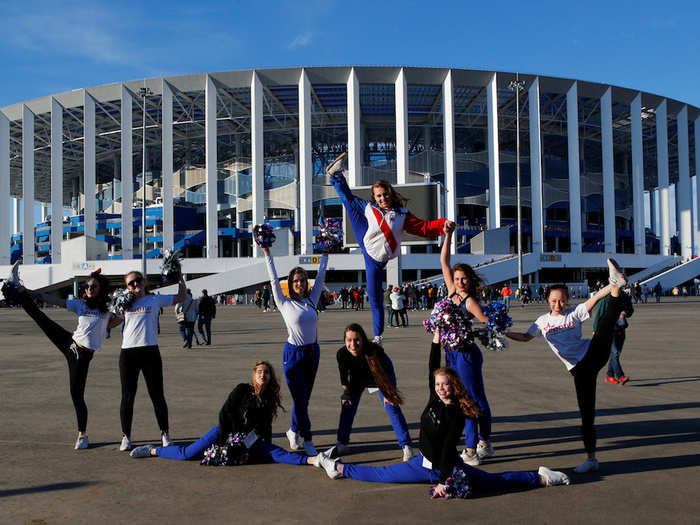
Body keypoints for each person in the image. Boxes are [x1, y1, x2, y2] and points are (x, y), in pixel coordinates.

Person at [314, 331, 570, 498]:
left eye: (445, 384)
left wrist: (445, 483)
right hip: (420, 465)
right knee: (380, 473)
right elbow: (432, 366)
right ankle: (336, 467)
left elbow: (448, 449)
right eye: (437, 384)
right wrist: (436, 339)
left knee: (494, 482)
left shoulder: (456, 412)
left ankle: (542, 478)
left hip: (445, 468)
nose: (440, 388)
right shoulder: (433, 397)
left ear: (453, 385)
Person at [505, 258, 628, 473]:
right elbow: (526, 337)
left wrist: (608, 288)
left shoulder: (575, 313)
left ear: (567, 300)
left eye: (561, 300)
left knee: (605, 326)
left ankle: (616, 285)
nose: (557, 304)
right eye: (553, 301)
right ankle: (591, 458)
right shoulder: (542, 321)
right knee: (586, 412)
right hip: (579, 371)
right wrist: (504, 333)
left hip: (592, 354)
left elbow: (597, 297)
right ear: (547, 300)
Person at [327, 152, 450, 344]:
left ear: (390, 194)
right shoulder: (369, 208)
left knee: (376, 296)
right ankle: (336, 175)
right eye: (378, 195)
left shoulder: (401, 214)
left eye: (385, 194)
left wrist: (443, 224)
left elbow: (424, 228)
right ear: (374, 197)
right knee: (350, 203)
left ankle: (378, 336)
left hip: (381, 256)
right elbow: (352, 199)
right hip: (370, 253)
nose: (382, 198)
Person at [130, 361, 325, 470]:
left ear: (270, 377)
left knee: (275, 453)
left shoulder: (269, 399)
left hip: (248, 439)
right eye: (259, 372)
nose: (262, 375)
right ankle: (153, 451)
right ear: (254, 374)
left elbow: (265, 426)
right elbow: (225, 412)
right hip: (224, 431)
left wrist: (262, 445)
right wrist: (225, 439)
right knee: (189, 453)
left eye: (266, 372)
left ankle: (312, 460)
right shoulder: (242, 389)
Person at [9, 265, 121, 449]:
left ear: (101, 288)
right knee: (41, 318)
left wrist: (117, 315)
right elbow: (51, 299)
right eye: (87, 287)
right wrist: (30, 292)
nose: (89, 289)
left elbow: (114, 324)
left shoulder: (105, 312)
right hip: (69, 342)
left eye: (93, 286)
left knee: (76, 395)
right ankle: (18, 287)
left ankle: (82, 435)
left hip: (82, 356)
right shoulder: (80, 304)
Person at [261, 243, 328, 456]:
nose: (299, 283)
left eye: (302, 280)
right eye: (295, 281)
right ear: (290, 284)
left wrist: (325, 254)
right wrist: (267, 254)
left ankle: (292, 430)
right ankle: (308, 439)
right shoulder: (284, 303)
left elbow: (321, 276)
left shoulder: (312, 299)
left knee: (304, 399)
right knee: (300, 400)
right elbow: (273, 279)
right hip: (294, 355)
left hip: (313, 353)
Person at [440, 224, 494, 465]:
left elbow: (490, 323)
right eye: (457, 278)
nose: (460, 282)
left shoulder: (470, 302)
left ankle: (472, 449)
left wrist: (470, 328)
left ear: (470, 281)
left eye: (463, 279)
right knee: (473, 397)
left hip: (465, 353)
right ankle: (485, 442)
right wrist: (448, 235)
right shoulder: (451, 291)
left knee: (470, 399)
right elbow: (444, 261)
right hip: (450, 353)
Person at [118, 270, 187, 451]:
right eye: (130, 283)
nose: (135, 285)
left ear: (144, 281)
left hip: (150, 352)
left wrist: (179, 276)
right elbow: (108, 319)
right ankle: (126, 436)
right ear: (126, 287)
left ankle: (165, 433)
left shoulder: (155, 299)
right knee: (127, 397)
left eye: (138, 280)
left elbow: (181, 296)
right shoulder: (123, 303)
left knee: (157, 395)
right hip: (128, 353)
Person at [333, 323, 413, 461]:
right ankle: (342, 442)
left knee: (391, 406)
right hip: (358, 378)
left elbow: (385, 373)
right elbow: (343, 377)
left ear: (363, 339)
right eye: (349, 340)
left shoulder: (374, 351)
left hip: (381, 377)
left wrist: (389, 393)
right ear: (344, 341)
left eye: (357, 339)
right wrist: (346, 393)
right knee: (347, 405)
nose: (353, 344)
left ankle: (406, 445)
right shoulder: (341, 354)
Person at [596, 289, 634, 385]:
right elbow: (599, 314)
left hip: (621, 328)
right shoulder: (606, 297)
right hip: (608, 329)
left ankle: (609, 375)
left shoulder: (625, 296)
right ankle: (620, 376)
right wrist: (595, 329)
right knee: (615, 353)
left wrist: (625, 313)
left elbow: (631, 310)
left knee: (616, 354)